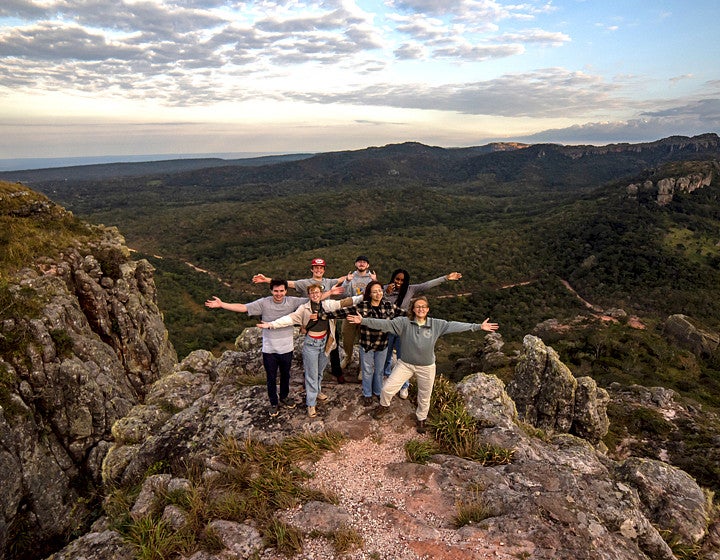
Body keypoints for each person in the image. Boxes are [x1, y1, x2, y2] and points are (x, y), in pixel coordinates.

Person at [347, 295, 498, 433]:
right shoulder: (404, 323)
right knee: (387, 389)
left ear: (428, 309)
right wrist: (364, 321)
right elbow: (384, 324)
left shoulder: (436, 324)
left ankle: (421, 419)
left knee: (425, 395)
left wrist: (478, 326)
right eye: (418, 306)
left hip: (426, 367)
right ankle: (384, 406)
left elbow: (454, 326)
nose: (421, 309)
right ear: (413, 309)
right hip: (405, 364)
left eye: (423, 307)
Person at [205, 279, 340, 417]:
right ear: (271, 291)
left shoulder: (292, 302)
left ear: (286, 291)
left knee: (286, 375)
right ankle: (274, 403)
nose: (279, 294)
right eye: (276, 291)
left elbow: (315, 298)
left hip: (286, 347)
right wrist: (222, 305)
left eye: (281, 291)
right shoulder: (264, 303)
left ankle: (284, 397)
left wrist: (330, 292)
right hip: (269, 348)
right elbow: (244, 307)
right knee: (271, 377)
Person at [257, 284, 361, 418]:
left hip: (326, 343)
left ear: (321, 293)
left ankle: (317, 391)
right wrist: (271, 325)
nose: (315, 295)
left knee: (319, 372)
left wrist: (366, 295)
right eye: (312, 293)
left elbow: (347, 302)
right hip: (311, 344)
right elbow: (289, 319)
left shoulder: (328, 305)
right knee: (311, 374)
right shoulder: (303, 308)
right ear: (309, 295)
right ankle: (311, 403)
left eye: (317, 292)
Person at [252, 258, 347, 382]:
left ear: (324, 270)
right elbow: (287, 283)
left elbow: (342, 279)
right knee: (311, 348)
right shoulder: (305, 283)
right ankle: (309, 374)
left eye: (321, 268)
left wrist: (356, 275)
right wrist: (266, 280)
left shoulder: (329, 282)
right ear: (312, 269)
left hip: (328, 319)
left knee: (333, 345)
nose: (318, 270)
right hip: (311, 321)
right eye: (316, 267)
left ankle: (337, 371)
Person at [320, 281, 405, 406]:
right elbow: (343, 312)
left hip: (382, 344)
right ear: (369, 294)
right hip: (367, 344)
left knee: (379, 370)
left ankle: (377, 391)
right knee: (367, 370)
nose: (378, 294)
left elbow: (404, 314)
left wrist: (420, 316)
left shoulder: (388, 306)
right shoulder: (362, 306)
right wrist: (323, 316)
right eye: (375, 291)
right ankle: (367, 394)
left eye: (380, 291)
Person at [382, 269, 464, 398]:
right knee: (385, 356)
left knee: (403, 358)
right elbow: (377, 302)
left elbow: (427, 284)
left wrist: (446, 278)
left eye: (402, 280)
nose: (399, 282)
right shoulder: (385, 289)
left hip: (403, 328)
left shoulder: (410, 289)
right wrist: (386, 293)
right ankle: (386, 377)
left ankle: (404, 386)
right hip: (388, 327)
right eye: (397, 279)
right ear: (393, 278)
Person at [340, 255, 377, 370]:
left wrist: (375, 281)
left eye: (364, 262)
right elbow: (342, 294)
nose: (362, 264)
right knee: (347, 336)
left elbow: (378, 294)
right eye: (359, 262)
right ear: (356, 264)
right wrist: (346, 281)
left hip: (366, 314)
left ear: (368, 265)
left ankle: (362, 367)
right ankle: (348, 357)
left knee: (365, 339)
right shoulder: (351, 277)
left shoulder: (371, 278)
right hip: (351, 312)